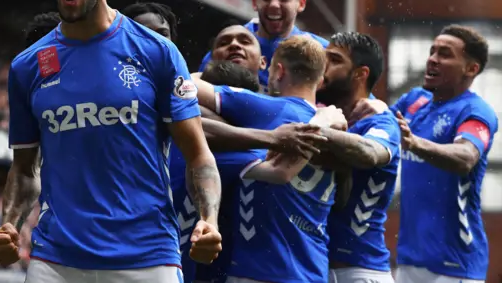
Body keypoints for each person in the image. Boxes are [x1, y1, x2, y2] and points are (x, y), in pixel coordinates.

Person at [0, 0, 222, 283]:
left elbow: (198, 155)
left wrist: (209, 220)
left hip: (146, 257)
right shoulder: (27, 67)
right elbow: (24, 168)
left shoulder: (156, 53)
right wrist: (8, 224)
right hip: (55, 259)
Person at [195, 36, 345, 283]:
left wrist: (206, 70)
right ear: (320, 79)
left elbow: (182, 86)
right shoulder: (338, 130)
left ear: (278, 71)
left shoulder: (266, 108)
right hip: (313, 270)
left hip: (260, 270)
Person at [390, 25, 497, 283]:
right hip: (409, 258)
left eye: (445, 54)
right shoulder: (414, 101)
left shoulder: (475, 111)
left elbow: (466, 156)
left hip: (455, 264)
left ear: (471, 69)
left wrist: (416, 144)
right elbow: (376, 123)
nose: (432, 59)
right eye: (432, 51)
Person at [314, 32, 401, 283]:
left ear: (360, 74)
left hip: (359, 272)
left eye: (334, 59)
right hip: (312, 267)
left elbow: (371, 153)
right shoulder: (311, 109)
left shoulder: (380, 121)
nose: (323, 65)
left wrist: (313, 130)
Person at [199, 0, 328, 89]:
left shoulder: (322, 52)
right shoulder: (228, 47)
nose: (274, 5)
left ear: (301, 3)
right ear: (255, 2)